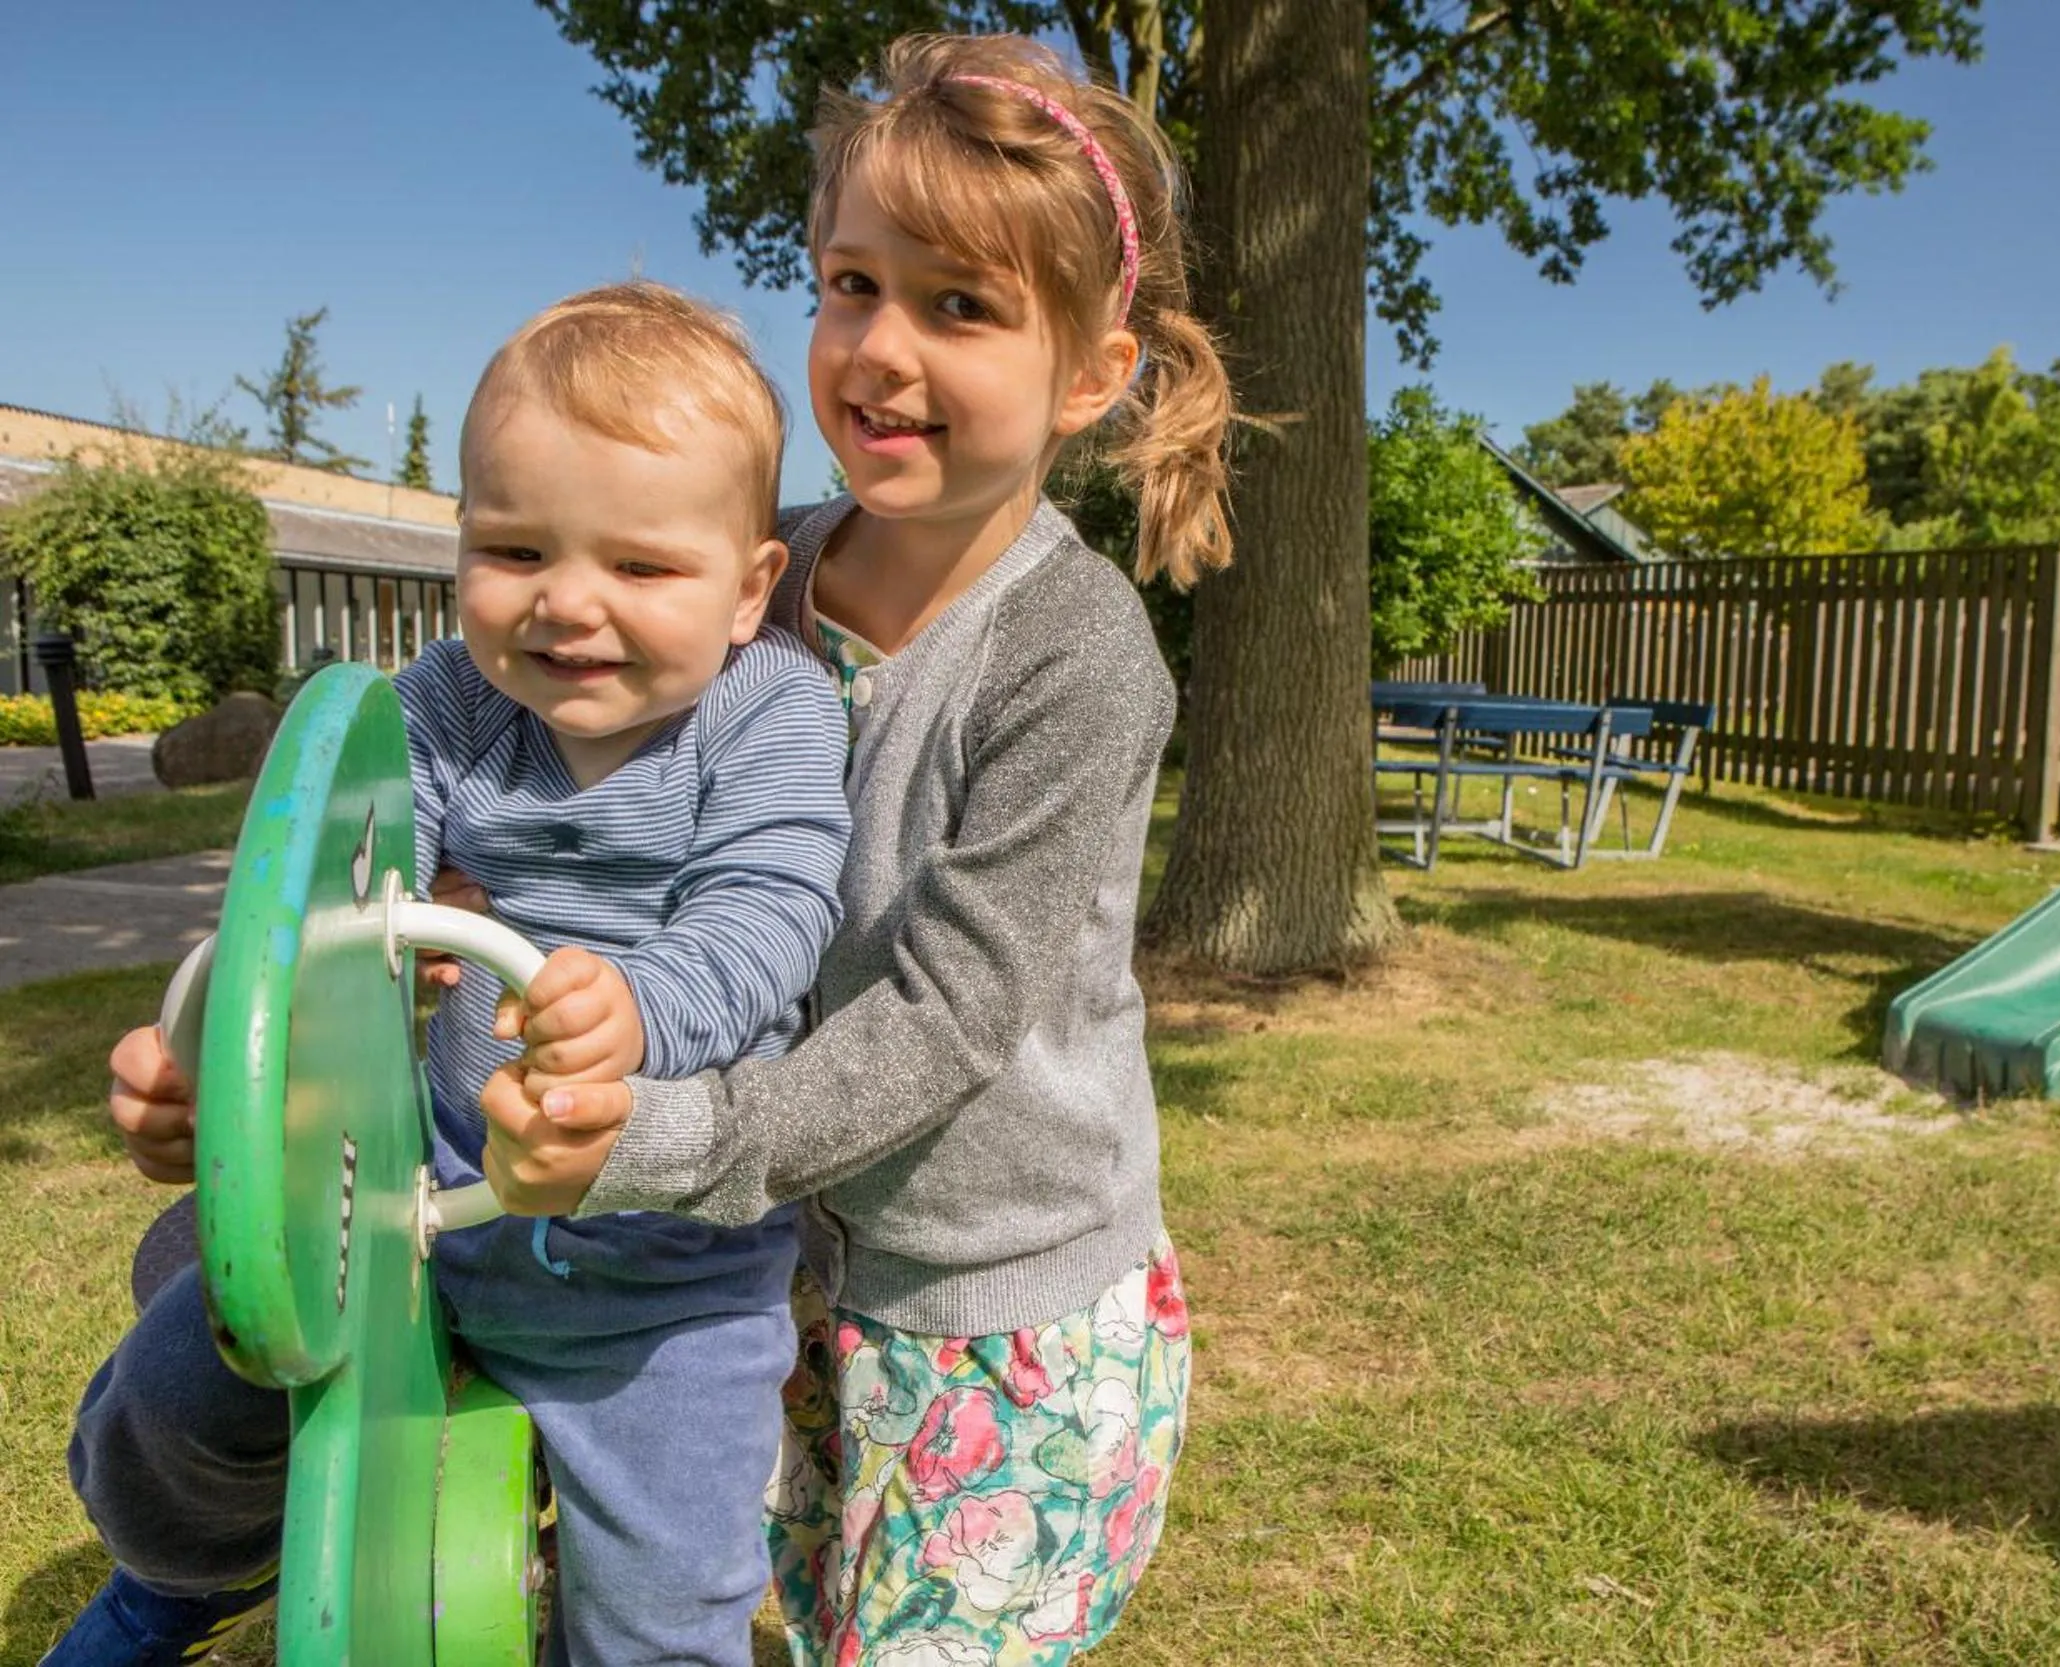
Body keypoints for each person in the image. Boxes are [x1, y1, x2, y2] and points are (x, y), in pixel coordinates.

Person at [477, 33, 1226, 1665]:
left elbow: (944, 1019)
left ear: (1091, 374)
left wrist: (641, 1140)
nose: (880, 349)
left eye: (961, 305)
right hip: (771, 1252)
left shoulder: (1076, 657)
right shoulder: (745, 581)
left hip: (992, 1293)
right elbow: (583, 788)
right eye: (850, 283)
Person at [64, 283, 851, 1667]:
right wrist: (216, 1067)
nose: (567, 601)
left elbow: (766, 917)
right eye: (515, 547)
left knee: (661, 1612)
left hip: (663, 1270)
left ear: (746, 591)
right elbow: (316, 914)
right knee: (174, 1398)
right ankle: (174, 1580)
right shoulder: (438, 701)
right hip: (412, 1206)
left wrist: (635, 1011)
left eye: (642, 567)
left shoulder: (772, 710)